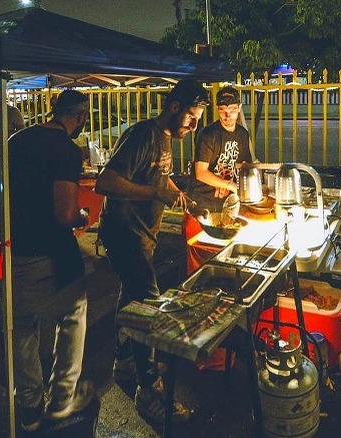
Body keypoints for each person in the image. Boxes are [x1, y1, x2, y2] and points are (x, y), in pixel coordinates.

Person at [95, 79, 209, 423]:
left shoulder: (166, 139)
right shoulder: (143, 135)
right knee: (148, 304)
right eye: (191, 117)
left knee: (131, 296)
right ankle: (149, 387)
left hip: (143, 235)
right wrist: (156, 195)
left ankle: (124, 361)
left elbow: (158, 177)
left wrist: (178, 194)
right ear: (174, 107)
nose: (194, 126)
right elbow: (106, 182)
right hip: (123, 232)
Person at [0, 89, 94, 432]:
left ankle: (29, 407)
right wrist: (82, 215)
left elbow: (1, 196)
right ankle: (62, 399)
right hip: (53, 252)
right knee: (73, 315)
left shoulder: (15, 140)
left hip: (15, 250)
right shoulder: (68, 150)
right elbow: (64, 212)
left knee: (22, 326)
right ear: (80, 118)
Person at [183, 86, 252, 272]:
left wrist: (230, 184)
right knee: (199, 263)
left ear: (239, 108)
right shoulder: (208, 135)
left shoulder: (243, 135)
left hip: (225, 208)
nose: (227, 115)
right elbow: (201, 172)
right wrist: (228, 184)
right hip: (201, 207)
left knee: (223, 263)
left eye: (231, 110)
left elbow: (242, 166)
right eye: (222, 111)